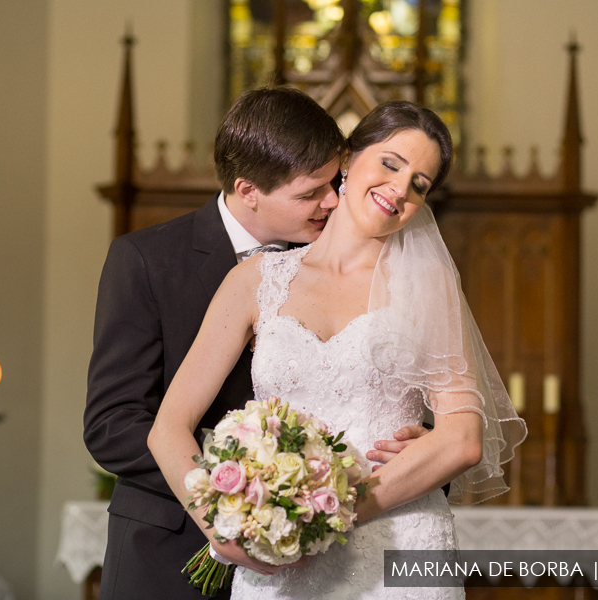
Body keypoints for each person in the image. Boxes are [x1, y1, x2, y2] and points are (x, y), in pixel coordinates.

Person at [149, 101, 527, 599]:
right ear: (348, 159)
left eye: (420, 183)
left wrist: (326, 517)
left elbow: (462, 440)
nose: (399, 188)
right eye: (391, 163)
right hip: (276, 554)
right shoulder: (255, 281)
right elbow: (168, 427)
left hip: (399, 547)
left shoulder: (426, 285)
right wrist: (226, 529)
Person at [84, 88, 433, 600]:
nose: (332, 201)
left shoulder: (341, 260)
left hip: (320, 559)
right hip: (169, 554)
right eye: (311, 192)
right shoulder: (147, 260)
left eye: (334, 181)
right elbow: (111, 423)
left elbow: (378, 391)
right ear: (249, 190)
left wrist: (418, 445)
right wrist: (249, 485)